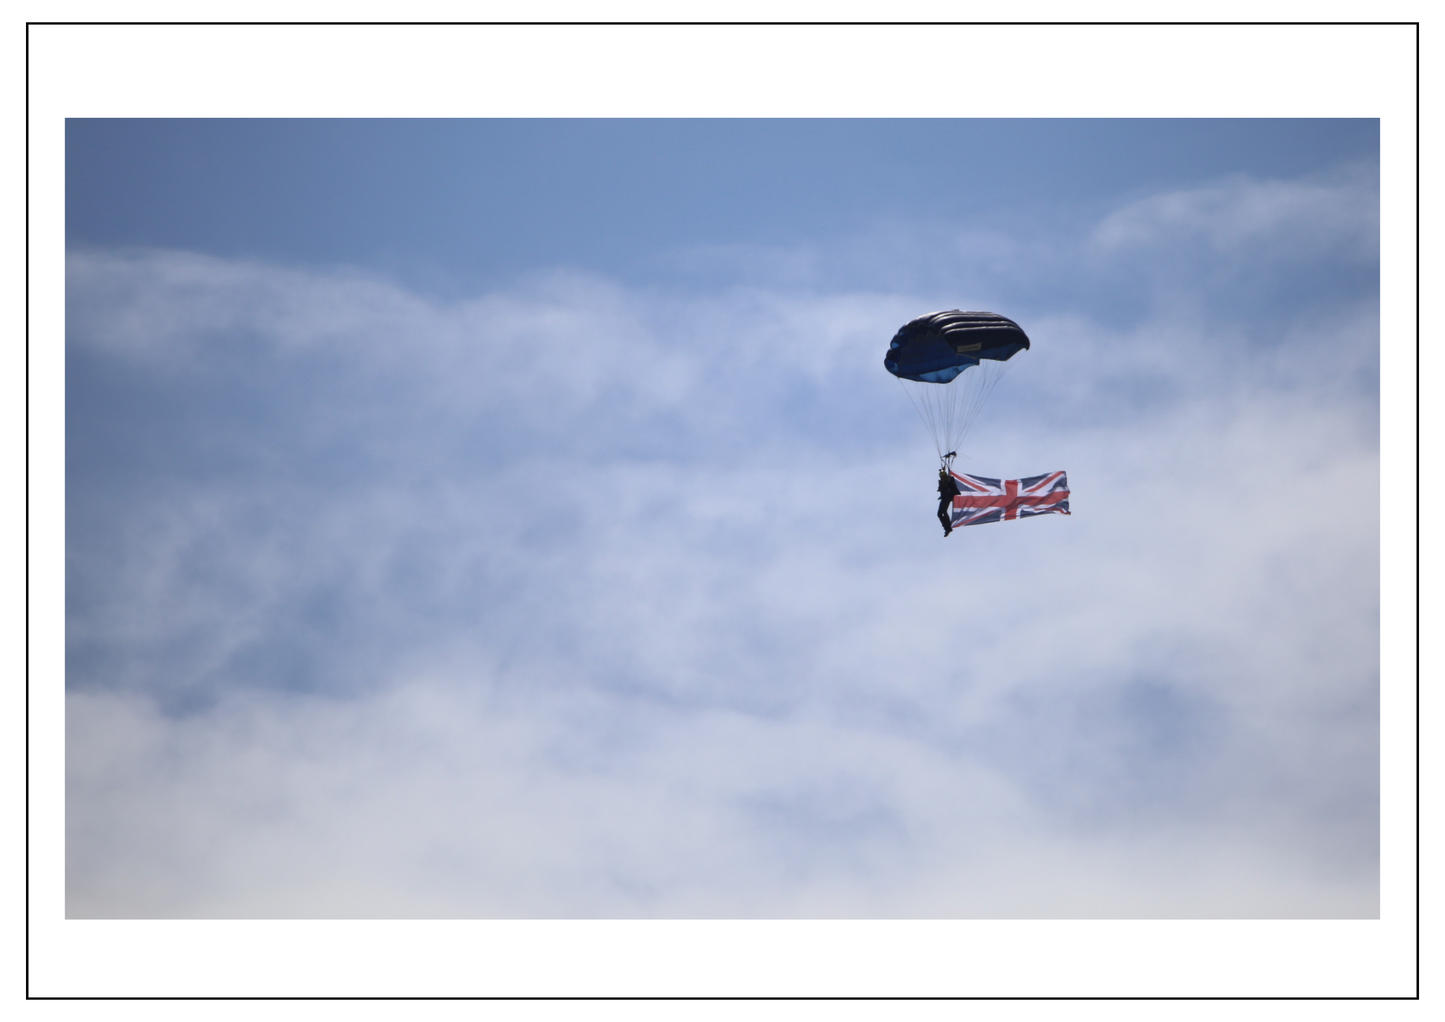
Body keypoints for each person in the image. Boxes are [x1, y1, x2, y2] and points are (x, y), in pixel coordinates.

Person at [937, 466, 961, 536]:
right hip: (944, 497)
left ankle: (948, 527)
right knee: (939, 514)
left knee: (943, 511)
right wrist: (942, 470)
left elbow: (951, 482)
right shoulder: (942, 482)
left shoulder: (949, 480)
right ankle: (947, 528)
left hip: (948, 497)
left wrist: (947, 474)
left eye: (944, 477)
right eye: (942, 477)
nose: (943, 478)